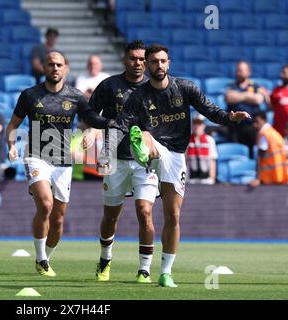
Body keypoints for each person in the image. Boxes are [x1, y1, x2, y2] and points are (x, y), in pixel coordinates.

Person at [99, 44, 250, 287]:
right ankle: (144, 148)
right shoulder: (138, 96)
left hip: (176, 155)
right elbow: (120, 124)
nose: (158, 65)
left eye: (162, 61)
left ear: (169, 63)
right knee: (144, 134)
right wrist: (107, 151)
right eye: (154, 62)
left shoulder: (185, 88)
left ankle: (165, 272)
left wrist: (230, 118)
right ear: (147, 66)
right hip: (153, 149)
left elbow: (209, 109)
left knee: (173, 215)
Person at [6, 51, 110, 277]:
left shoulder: (76, 97)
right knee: (45, 204)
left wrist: (92, 132)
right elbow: (13, 124)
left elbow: (94, 121)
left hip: (63, 162)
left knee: (58, 219)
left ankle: (44, 258)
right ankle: (42, 258)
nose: (55, 68)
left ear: (66, 68)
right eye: (51, 64)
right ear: (44, 68)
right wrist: (12, 144)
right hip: (36, 155)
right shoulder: (30, 95)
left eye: (59, 65)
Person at [86, 40, 160, 283]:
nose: (138, 63)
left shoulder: (156, 88)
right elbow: (89, 113)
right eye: (133, 59)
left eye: (141, 59)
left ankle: (144, 269)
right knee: (111, 216)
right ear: (124, 60)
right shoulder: (109, 86)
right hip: (114, 159)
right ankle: (105, 260)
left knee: (144, 210)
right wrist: (103, 126)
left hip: (144, 161)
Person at [225, 60, 270, 158]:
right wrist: (248, 96)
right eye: (237, 70)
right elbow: (229, 97)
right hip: (235, 126)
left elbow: (258, 99)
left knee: (253, 153)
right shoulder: (232, 85)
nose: (238, 73)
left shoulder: (255, 86)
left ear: (248, 72)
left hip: (252, 126)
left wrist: (239, 96)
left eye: (241, 71)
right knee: (235, 154)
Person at [249, 112, 288, 187]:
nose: (254, 125)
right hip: (279, 175)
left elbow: (261, 156)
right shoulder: (275, 133)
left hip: (268, 178)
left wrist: (257, 178)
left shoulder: (264, 134)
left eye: (257, 121)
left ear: (264, 120)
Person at [186, 114, 218, 185]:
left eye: (199, 123)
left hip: (206, 180)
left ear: (204, 125)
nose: (197, 126)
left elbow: (213, 161)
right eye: (195, 123)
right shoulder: (187, 140)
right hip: (190, 180)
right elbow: (184, 160)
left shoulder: (210, 140)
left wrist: (212, 179)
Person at [270, 65, 288, 138]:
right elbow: (271, 105)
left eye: (285, 72)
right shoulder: (277, 90)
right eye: (282, 72)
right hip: (278, 130)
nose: (282, 75)